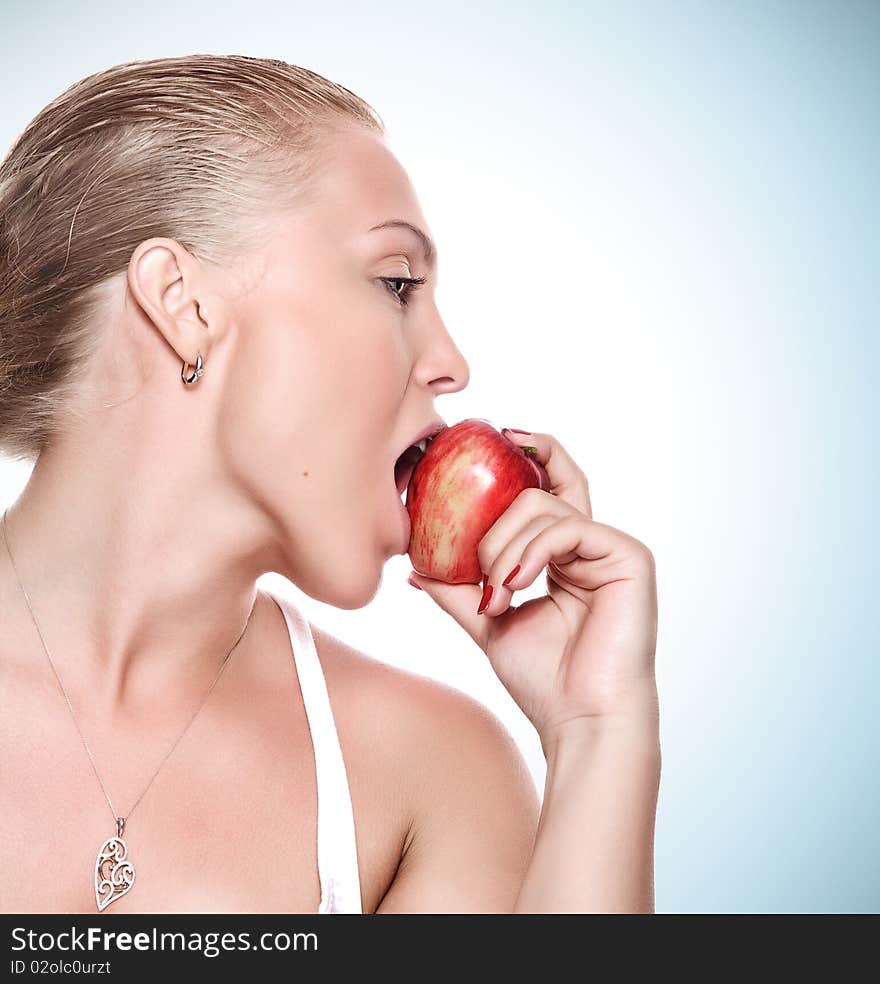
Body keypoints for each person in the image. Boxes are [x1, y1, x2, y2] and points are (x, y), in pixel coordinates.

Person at [0, 54, 661, 914]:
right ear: (184, 303)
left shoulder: (433, 778)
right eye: (396, 284)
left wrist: (598, 734)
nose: (451, 363)